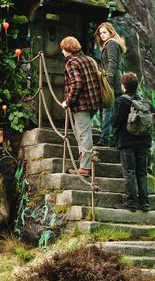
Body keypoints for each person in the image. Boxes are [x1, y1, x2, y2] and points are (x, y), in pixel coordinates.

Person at [111, 72, 154, 211]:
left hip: (127, 141)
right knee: (141, 172)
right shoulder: (145, 102)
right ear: (136, 86)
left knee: (129, 172)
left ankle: (131, 202)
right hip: (143, 141)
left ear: (124, 86)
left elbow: (115, 121)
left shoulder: (121, 101)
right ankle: (145, 202)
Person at [60, 36, 102, 177]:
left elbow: (77, 83)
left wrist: (68, 101)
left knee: (84, 134)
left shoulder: (71, 62)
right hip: (93, 102)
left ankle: (85, 168)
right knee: (80, 131)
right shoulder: (89, 59)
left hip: (82, 104)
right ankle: (83, 155)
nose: (62, 52)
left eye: (63, 49)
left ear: (68, 49)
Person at [94, 22, 127, 147]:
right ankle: (114, 139)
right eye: (100, 33)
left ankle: (105, 139)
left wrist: (108, 79)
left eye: (104, 32)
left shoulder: (112, 43)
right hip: (115, 80)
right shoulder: (111, 43)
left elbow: (112, 62)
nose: (102, 35)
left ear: (111, 32)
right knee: (113, 111)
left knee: (108, 111)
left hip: (112, 81)